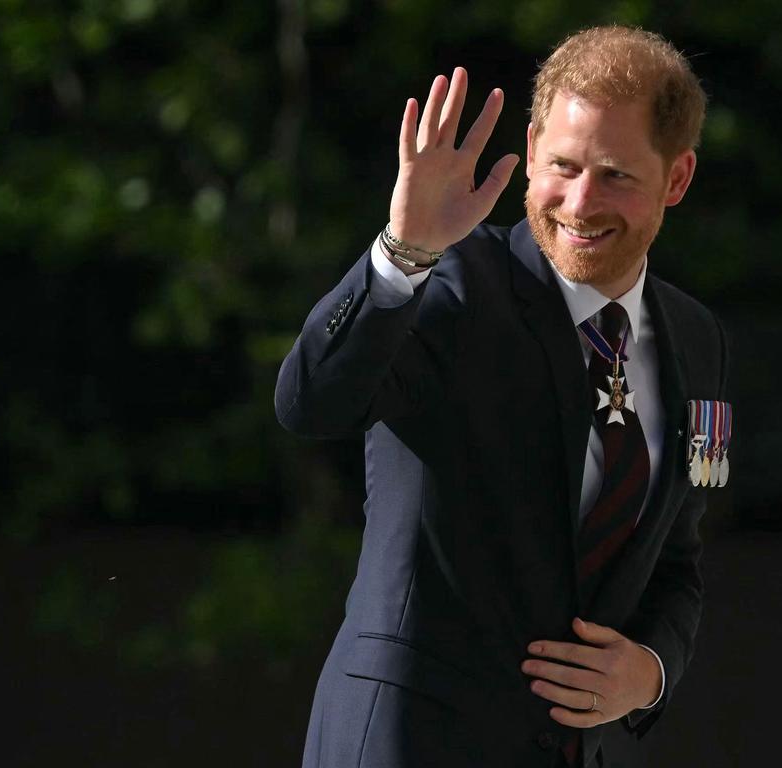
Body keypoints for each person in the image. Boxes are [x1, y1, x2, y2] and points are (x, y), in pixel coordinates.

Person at [275, 25, 728, 768]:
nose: (580, 202)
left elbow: (678, 555)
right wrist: (401, 253)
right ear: (529, 149)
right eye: (563, 166)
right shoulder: (448, 282)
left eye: (615, 174)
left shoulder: (697, 339)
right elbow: (310, 404)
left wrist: (650, 672)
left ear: (677, 179)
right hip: (405, 741)